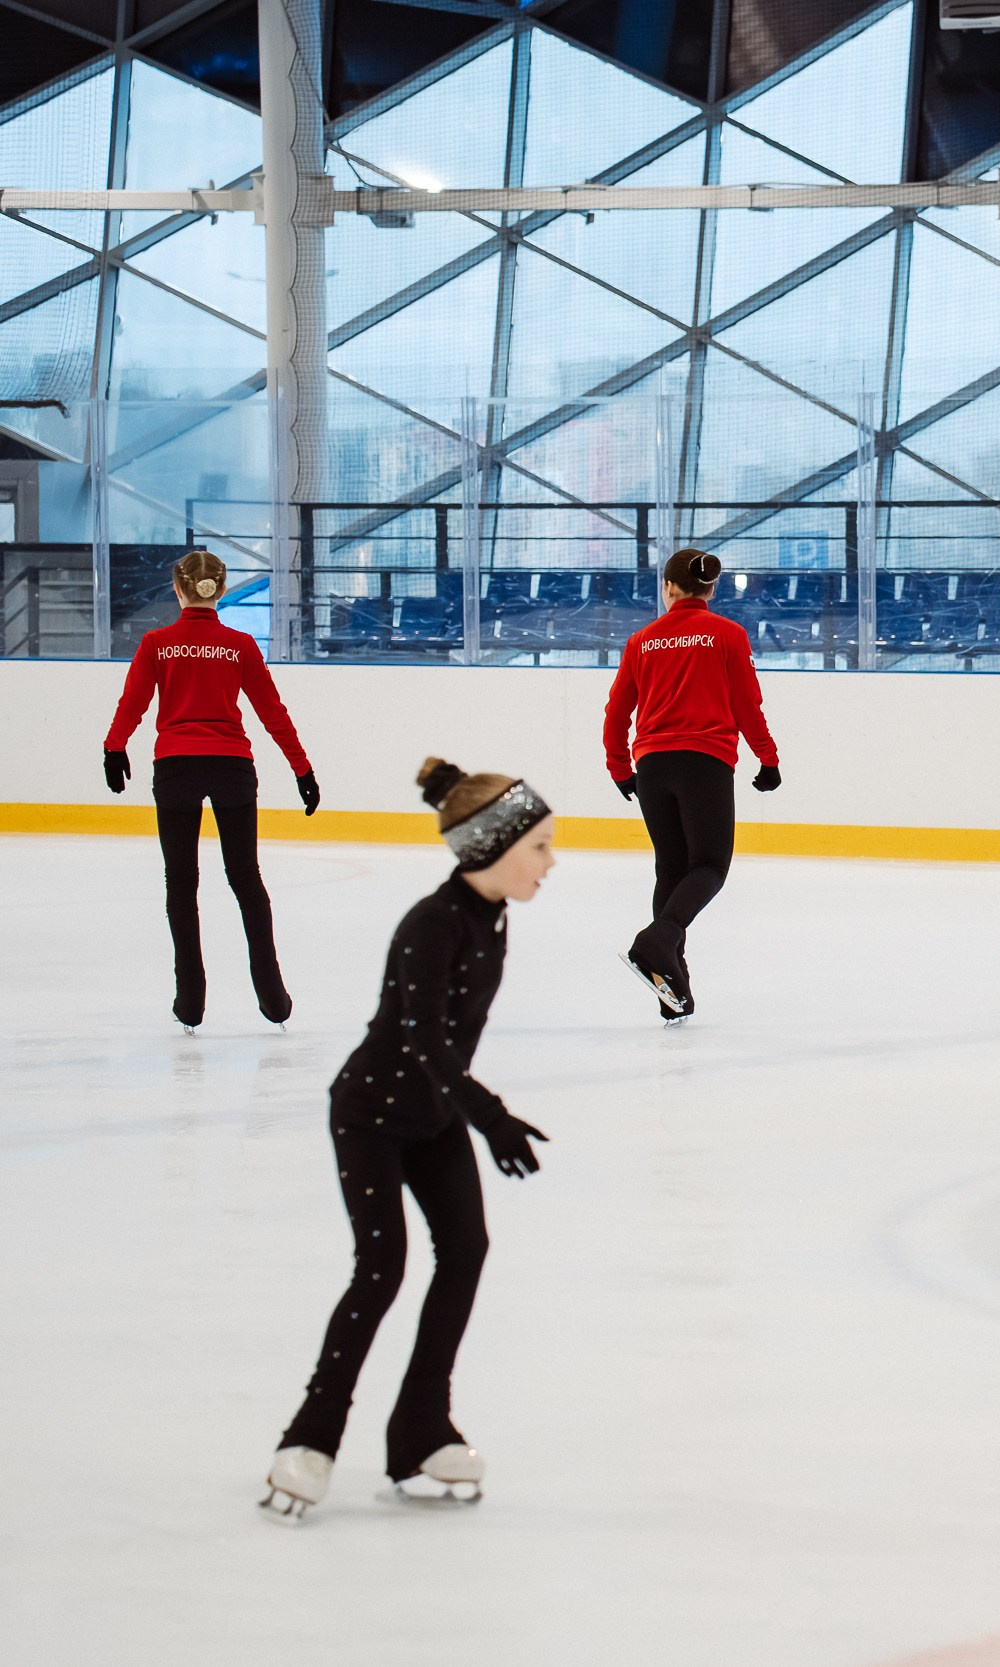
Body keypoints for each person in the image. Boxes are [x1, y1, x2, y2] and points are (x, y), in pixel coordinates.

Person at [260, 758, 555, 1524]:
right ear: (491, 847)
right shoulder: (432, 924)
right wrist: (489, 1115)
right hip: (370, 1114)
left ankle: (422, 1426)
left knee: (467, 1248)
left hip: (431, 1115)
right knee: (382, 1265)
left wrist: (469, 1114)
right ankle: (310, 1436)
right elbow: (428, 1044)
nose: (551, 863)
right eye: (540, 848)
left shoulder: (493, 915)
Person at [101, 549, 318, 1029]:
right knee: (245, 878)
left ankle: (190, 1001)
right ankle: (273, 995)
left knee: (181, 884)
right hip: (232, 767)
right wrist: (302, 770)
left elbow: (132, 702)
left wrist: (114, 748)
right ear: (219, 591)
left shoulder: (158, 642)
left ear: (178, 590)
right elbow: (272, 713)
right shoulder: (239, 645)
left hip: (176, 767)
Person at [603, 547, 782, 1020]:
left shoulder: (642, 640)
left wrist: (620, 768)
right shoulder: (727, 635)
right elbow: (747, 705)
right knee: (709, 867)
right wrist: (768, 758)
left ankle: (672, 989)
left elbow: (616, 713)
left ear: (668, 588)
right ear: (710, 589)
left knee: (672, 870)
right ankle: (657, 940)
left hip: (653, 768)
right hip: (704, 763)